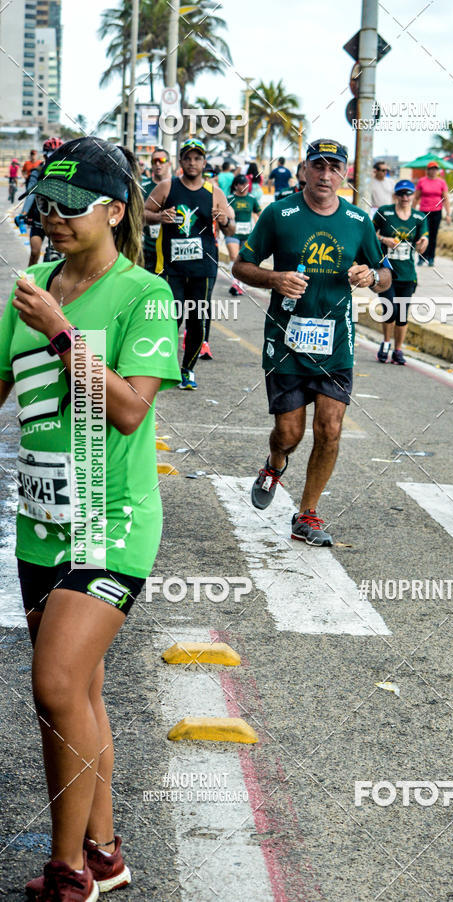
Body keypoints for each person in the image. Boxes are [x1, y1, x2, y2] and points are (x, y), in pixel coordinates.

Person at [0, 136, 180, 901]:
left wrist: (61, 332)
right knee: (75, 697)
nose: (52, 220)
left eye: (70, 210)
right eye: (45, 205)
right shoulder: (30, 285)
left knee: (54, 685)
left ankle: (69, 873)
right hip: (42, 521)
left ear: (114, 211)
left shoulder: (146, 294)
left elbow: (133, 410)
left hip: (113, 523)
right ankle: (105, 852)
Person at [232, 138, 392, 545]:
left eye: (334, 168)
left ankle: (307, 514)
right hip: (286, 340)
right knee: (289, 434)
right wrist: (274, 278)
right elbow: (242, 265)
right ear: (304, 169)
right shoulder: (279, 214)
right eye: (318, 166)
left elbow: (388, 275)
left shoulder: (358, 221)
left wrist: (371, 278)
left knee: (330, 429)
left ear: (344, 174)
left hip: (336, 343)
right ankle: (274, 463)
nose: (325, 174)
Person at [144, 137, 235, 382]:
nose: (193, 163)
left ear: (204, 162)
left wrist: (224, 220)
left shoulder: (214, 193)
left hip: (203, 268)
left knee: (196, 320)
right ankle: (165, 367)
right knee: (171, 318)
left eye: (197, 158)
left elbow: (231, 227)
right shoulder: (167, 187)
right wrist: (159, 216)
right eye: (188, 158)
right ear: (181, 161)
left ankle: (187, 369)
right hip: (171, 266)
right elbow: (142, 213)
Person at [373, 179, 429, 365]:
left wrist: (422, 244)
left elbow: (424, 240)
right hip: (386, 271)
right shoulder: (384, 212)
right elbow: (370, 234)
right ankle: (386, 344)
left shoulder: (419, 217)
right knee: (390, 309)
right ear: (395, 195)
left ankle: (398, 350)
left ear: (414, 196)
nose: (405, 197)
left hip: (407, 273)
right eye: (401, 193)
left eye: (408, 193)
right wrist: (384, 239)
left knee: (402, 314)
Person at [22, 137, 63, 266]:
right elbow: (31, 193)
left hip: (59, 219)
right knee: (35, 252)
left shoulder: (68, 172)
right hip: (38, 218)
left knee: (66, 255)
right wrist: (24, 213)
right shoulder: (38, 171)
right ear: (45, 155)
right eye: (51, 154)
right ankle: (28, 279)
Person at [225, 174, 261, 296]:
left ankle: (240, 284)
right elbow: (222, 215)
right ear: (236, 186)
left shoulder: (252, 198)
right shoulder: (230, 198)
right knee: (234, 257)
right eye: (242, 184)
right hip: (233, 233)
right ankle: (235, 284)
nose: (245, 186)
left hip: (247, 234)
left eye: (246, 184)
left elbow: (260, 214)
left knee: (244, 260)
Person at [413, 162, 451, 266]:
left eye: (435, 169)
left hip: (436, 212)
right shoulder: (422, 181)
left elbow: (445, 198)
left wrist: (448, 214)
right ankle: (421, 257)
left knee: (433, 235)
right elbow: (416, 197)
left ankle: (431, 258)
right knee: (423, 234)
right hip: (423, 212)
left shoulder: (441, 182)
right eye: (431, 169)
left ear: (437, 171)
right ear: (427, 170)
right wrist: (411, 211)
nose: (433, 171)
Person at [141, 147, 172, 274]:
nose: (158, 164)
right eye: (154, 161)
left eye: (161, 160)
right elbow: (136, 213)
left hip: (171, 249)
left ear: (169, 163)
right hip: (149, 248)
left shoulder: (177, 185)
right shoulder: (142, 187)